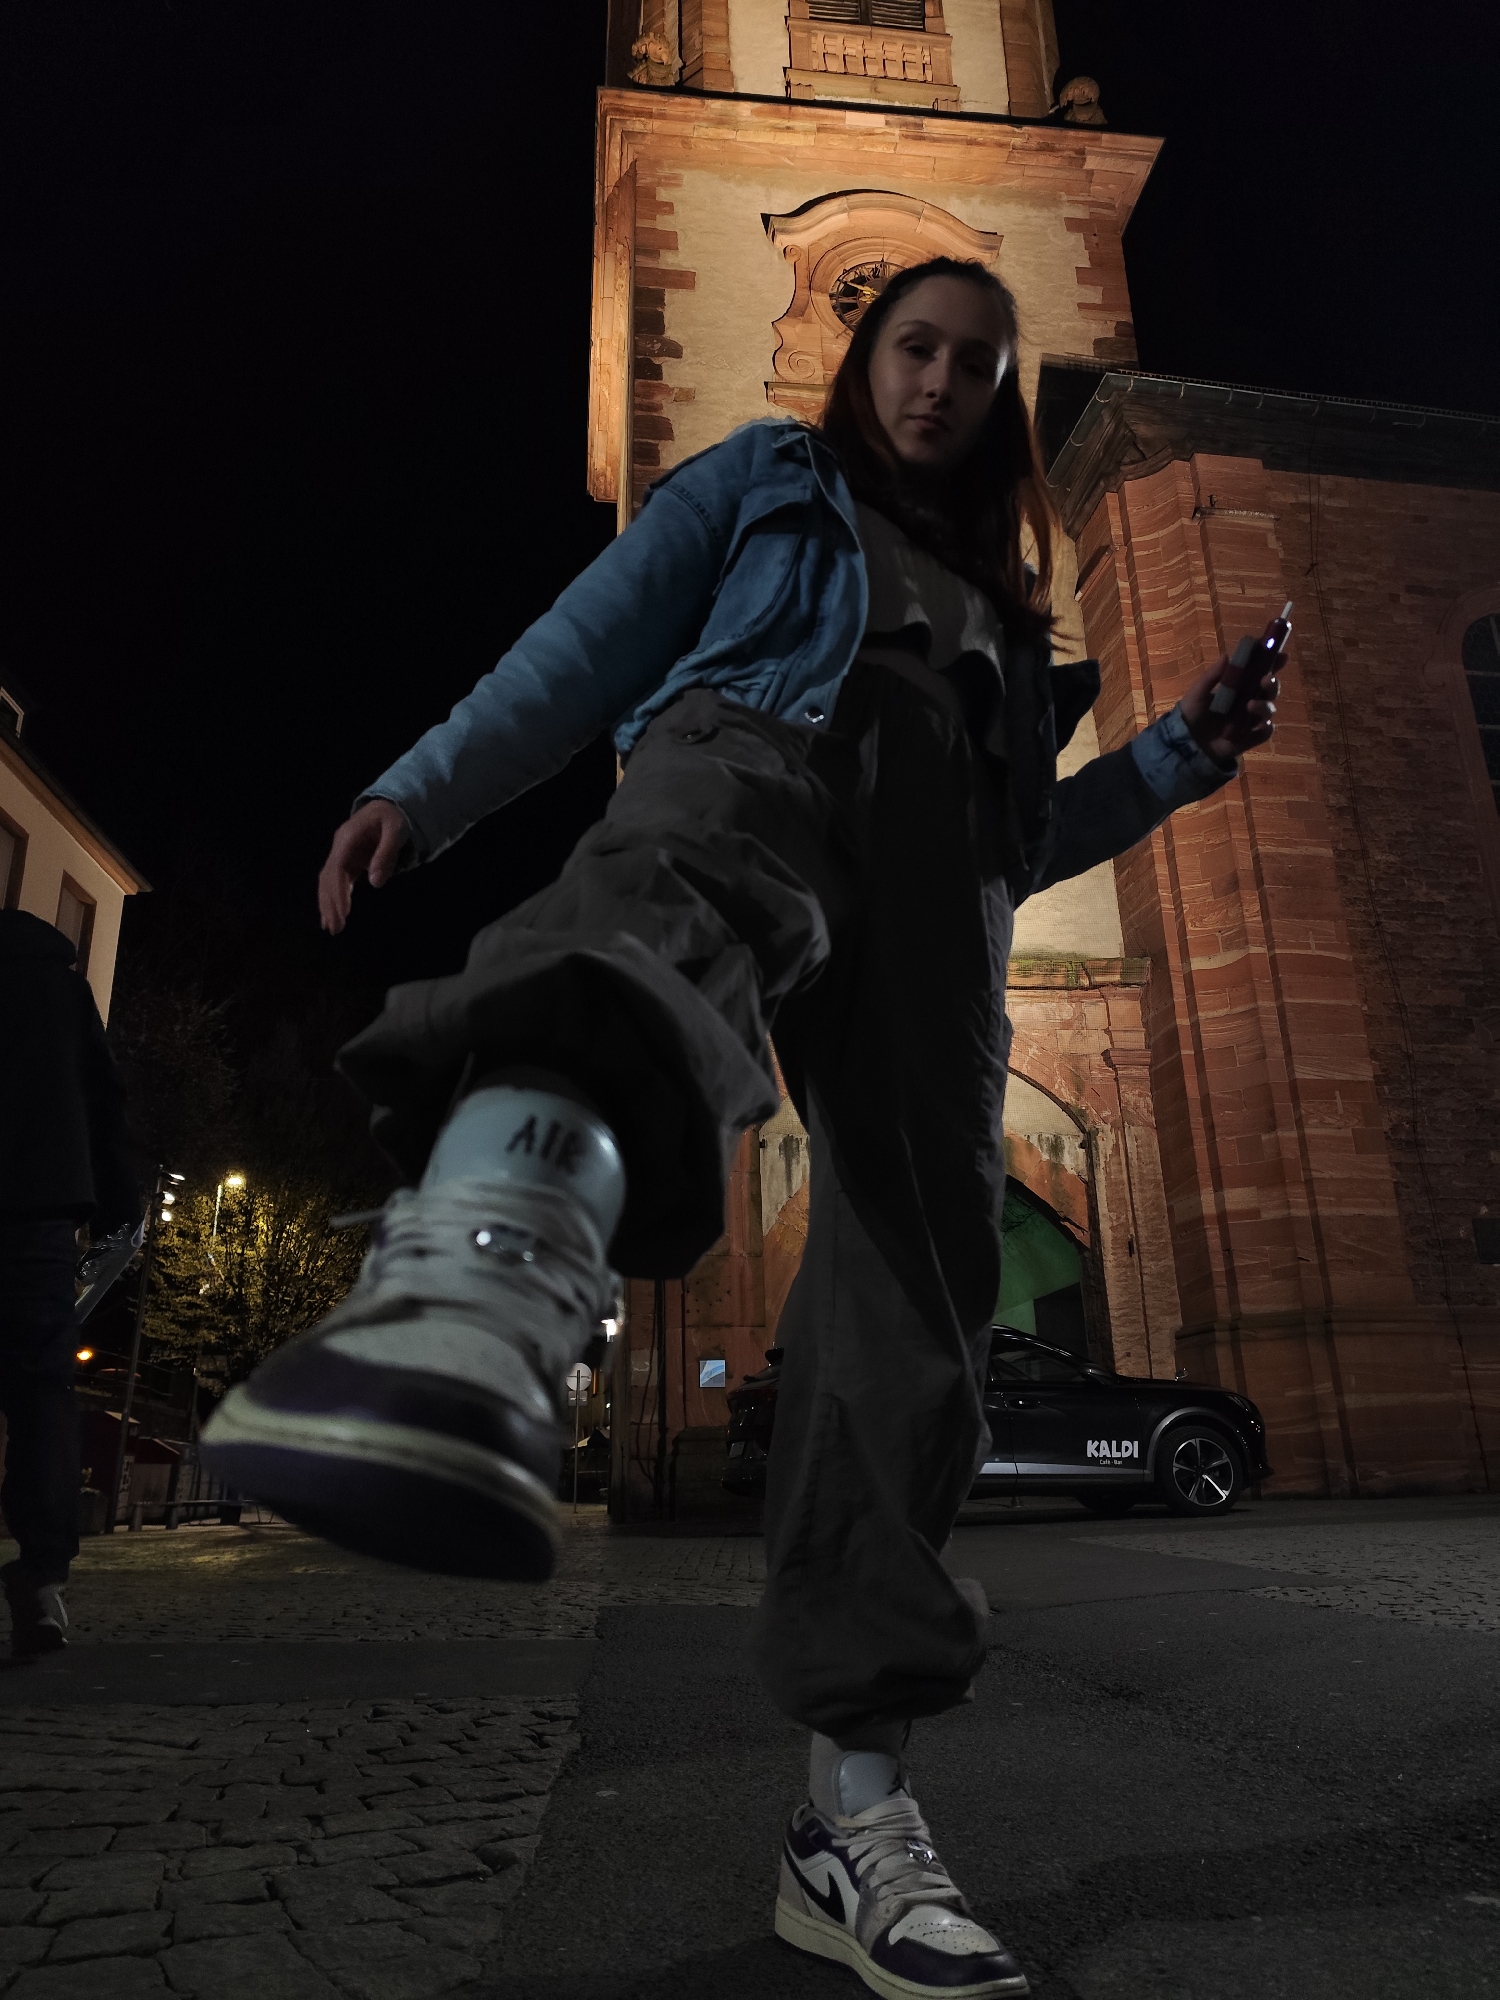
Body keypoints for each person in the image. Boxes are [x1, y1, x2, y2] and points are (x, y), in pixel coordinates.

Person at [202, 259, 1277, 1999]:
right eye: (915, 347)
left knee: (917, 1316)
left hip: (947, 909)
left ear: (1001, 401)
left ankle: (852, 1821)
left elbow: (1027, 845)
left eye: (976, 365)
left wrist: (1178, 759)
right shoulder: (770, 478)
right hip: (761, 757)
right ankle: (472, 1300)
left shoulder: (1011, 618)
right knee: (666, 909)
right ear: (867, 359)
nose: (939, 383)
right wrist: (429, 781)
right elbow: (593, 639)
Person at [0, 909, 140, 1660]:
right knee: (42, 1390)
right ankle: (43, 1576)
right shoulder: (60, 985)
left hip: (41, 1200)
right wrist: (119, 1203)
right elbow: (102, 1097)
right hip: (40, 1204)